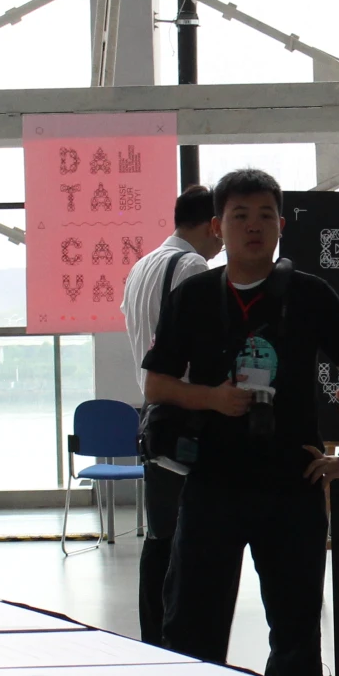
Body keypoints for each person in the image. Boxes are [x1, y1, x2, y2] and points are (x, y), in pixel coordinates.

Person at [141, 168, 339, 676]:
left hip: (292, 485)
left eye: (266, 214)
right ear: (218, 227)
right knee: (190, 616)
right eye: (240, 215)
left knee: (295, 617)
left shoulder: (310, 294)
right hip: (213, 484)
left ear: (281, 223)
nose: (254, 226)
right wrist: (212, 400)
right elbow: (157, 383)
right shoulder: (194, 296)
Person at [122, 184, 220, 645]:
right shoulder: (192, 266)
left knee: (159, 536)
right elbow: (197, 345)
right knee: (187, 538)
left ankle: (152, 639)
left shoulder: (142, 266)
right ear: (210, 224)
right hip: (184, 410)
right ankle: (178, 640)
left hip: (154, 412)